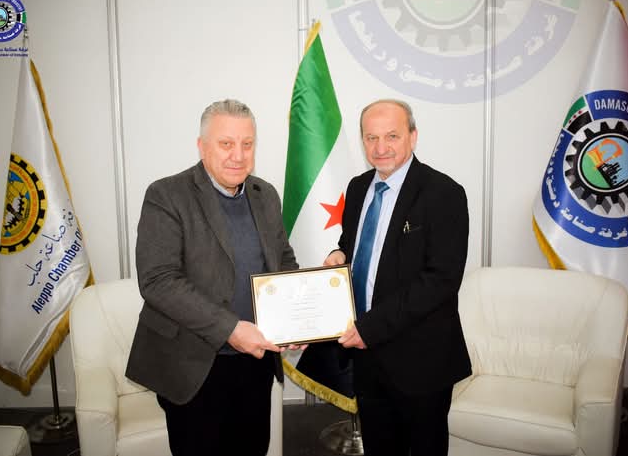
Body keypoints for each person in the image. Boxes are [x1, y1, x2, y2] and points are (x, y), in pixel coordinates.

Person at [125, 99, 298, 456]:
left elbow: (282, 260)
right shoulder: (166, 195)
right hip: (192, 365)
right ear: (202, 146)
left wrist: (295, 317)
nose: (238, 155)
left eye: (247, 144)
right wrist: (231, 329)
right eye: (226, 144)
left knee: (252, 448)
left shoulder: (265, 194)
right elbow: (158, 280)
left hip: (254, 362)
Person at [323, 99, 471, 455]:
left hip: (420, 361)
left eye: (392, 136)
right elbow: (354, 244)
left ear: (413, 136)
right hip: (367, 358)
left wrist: (371, 328)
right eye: (371, 137)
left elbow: (440, 279)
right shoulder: (358, 188)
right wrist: (339, 255)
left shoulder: (444, 193)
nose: (381, 148)